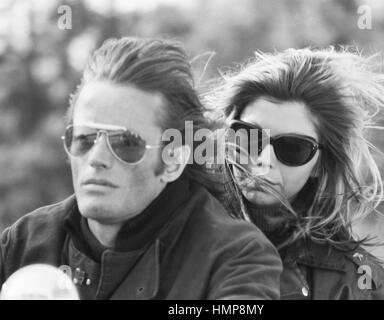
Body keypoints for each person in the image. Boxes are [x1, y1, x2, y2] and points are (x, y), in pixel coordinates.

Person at [0, 37, 282, 300]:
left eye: (125, 142)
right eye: (85, 138)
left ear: (173, 160)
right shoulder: (22, 243)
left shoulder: (236, 258)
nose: (96, 157)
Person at [203, 47, 384, 299]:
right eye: (249, 138)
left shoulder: (354, 280)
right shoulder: (176, 228)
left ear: (320, 163)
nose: (263, 162)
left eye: (293, 148)